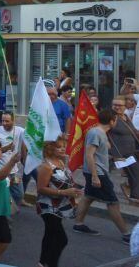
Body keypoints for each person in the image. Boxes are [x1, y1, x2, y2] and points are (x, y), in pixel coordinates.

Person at [73, 109, 132, 242]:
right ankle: (126, 234)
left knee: (88, 197)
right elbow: (89, 154)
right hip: (97, 173)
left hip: (97, 171)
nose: (116, 122)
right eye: (116, 120)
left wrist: (113, 158)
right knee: (113, 202)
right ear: (112, 121)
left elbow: (99, 154)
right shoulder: (96, 133)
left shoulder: (101, 133)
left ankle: (78, 224)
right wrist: (95, 176)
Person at [36, 137, 81, 267]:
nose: (63, 148)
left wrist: (76, 189)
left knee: (50, 235)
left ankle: (42, 262)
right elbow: (40, 188)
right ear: (50, 149)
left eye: (64, 146)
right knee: (61, 239)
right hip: (48, 207)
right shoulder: (46, 166)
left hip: (60, 206)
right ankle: (51, 264)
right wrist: (64, 193)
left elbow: (64, 182)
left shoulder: (61, 162)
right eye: (59, 147)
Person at [0, 111, 27, 207]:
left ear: (13, 121)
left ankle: (8, 207)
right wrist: (7, 147)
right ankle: (4, 212)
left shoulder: (20, 130)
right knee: (3, 194)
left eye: (7, 121)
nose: (4, 123)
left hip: (14, 170)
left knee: (19, 194)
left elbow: (32, 137)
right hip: (1, 169)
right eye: (3, 121)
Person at [109, 96, 139, 202]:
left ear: (125, 106)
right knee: (135, 172)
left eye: (119, 105)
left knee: (134, 173)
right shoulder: (112, 118)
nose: (117, 107)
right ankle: (135, 196)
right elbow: (103, 131)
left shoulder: (125, 116)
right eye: (115, 105)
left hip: (131, 150)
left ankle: (129, 188)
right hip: (120, 153)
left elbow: (134, 131)